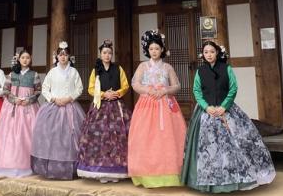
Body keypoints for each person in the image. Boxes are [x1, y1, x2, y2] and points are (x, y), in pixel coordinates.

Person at [181, 40, 276, 193]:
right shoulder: (200, 71)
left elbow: (233, 88)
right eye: (206, 52)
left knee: (237, 143)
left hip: (226, 110)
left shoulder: (227, 69)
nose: (209, 55)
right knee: (207, 148)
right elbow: (197, 91)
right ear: (203, 55)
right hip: (206, 112)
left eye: (212, 52)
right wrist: (206, 107)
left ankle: (236, 178)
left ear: (217, 53)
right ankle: (206, 181)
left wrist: (224, 106)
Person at [128, 30, 187, 187]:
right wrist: (148, 90)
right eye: (151, 49)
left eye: (157, 48)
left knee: (167, 138)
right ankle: (146, 174)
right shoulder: (143, 66)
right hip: (147, 105)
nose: (154, 51)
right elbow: (135, 84)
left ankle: (169, 174)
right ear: (147, 50)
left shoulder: (167, 67)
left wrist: (165, 90)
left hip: (165, 104)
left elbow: (177, 85)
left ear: (162, 50)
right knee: (145, 138)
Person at [77, 39, 132, 182]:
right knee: (99, 136)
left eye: (109, 53)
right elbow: (90, 88)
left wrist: (116, 93)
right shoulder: (96, 70)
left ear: (112, 55)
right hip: (100, 106)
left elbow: (125, 85)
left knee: (118, 136)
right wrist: (103, 94)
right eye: (104, 53)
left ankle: (117, 171)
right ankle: (100, 171)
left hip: (116, 105)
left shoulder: (118, 68)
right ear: (100, 54)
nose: (107, 55)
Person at [30, 41, 85, 179]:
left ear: (69, 56)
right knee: (52, 137)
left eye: (65, 55)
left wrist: (69, 98)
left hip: (70, 106)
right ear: (57, 57)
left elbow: (79, 88)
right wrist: (53, 99)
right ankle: (52, 168)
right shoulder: (52, 72)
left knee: (70, 137)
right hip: (53, 106)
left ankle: (71, 168)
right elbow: (44, 88)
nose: (63, 57)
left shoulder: (74, 72)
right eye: (60, 55)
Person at [0, 48, 41, 177]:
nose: (25, 60)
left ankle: (28, 164)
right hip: (12, 108)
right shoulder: (11, 74)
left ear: (31, 59)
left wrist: (29, 99)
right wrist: (14, 99)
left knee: (27, 135)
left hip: (29, 108)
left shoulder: (35, 74)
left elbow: (38, 91)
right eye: (23, 58)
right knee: (10, 136)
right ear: (18, 59)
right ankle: (9, 163)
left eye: (27, 58)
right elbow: (5, 90)